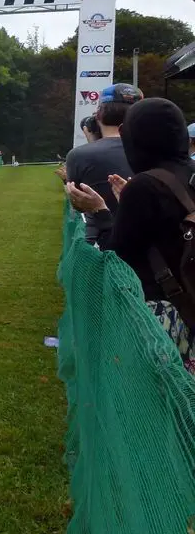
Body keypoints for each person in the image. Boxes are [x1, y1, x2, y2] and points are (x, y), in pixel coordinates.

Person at [66, 97, 195, 375]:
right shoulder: (186, 174)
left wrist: (99, 211)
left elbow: (118, 254)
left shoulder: (145, 186)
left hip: (163, 314)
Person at [65, 84, 140, 244]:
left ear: (98, 116)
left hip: (100, 246)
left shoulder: (79, 155)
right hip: (149, 246)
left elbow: (79, 204)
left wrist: (92, 142)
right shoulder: (159, 152)